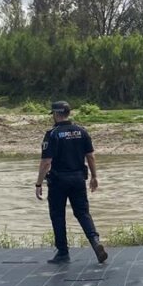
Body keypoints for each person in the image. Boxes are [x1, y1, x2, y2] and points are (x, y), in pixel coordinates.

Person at [35, 101, 108, 264]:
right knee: (82, 213)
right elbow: (90, 156)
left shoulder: (52, 134)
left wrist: (38, 183)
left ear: (55, 114)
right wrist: (95, 177)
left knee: (57, 215)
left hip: (58, 181)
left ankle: (63, 253)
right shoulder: (82, 131)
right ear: (68, 113)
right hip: (78, 179)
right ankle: (95, 242)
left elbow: (46, 162)